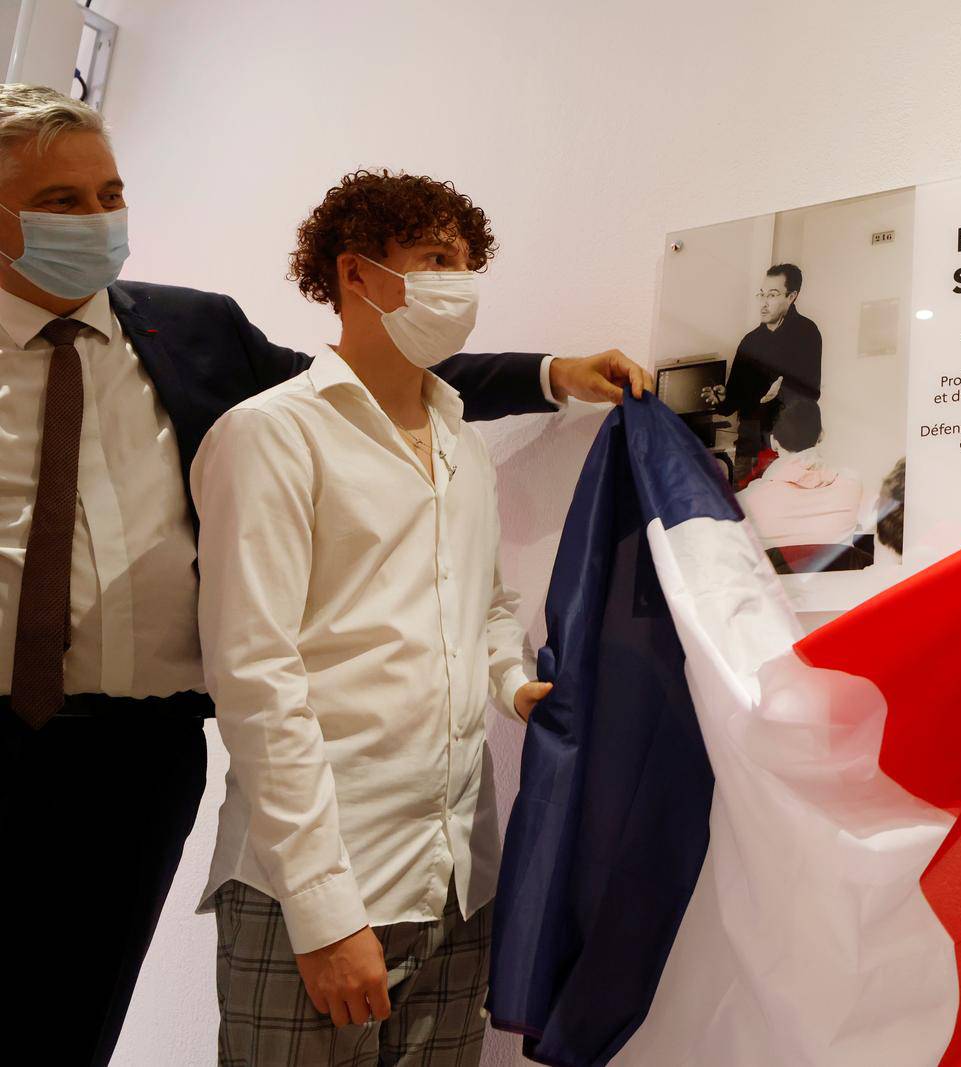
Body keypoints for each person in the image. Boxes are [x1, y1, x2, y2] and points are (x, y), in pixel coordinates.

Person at [0, 84, 645, 1067]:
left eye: (109, 193)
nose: (97, 221)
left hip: (141, 747)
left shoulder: (192, 331)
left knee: (75, 1014)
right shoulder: (267, 440)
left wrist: (551, 373)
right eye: (62, 201)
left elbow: (369, 384)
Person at [194, 169, 559, 1064]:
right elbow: (254, 675)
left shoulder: (462, 443)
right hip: (316, 886)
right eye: (436, 258)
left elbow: (483, 603)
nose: (460, 283)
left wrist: (514, 685)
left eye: (468, 262)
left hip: (455, 879)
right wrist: (322, 913)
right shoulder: (273, 434)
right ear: (357, 274)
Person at [702, 263, 823, 478]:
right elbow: (733, 401)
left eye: (773, 295)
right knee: (748, 505)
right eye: (762, 294)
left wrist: (781, 391)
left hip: (790, 443)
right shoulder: (750, 342)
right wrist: (723, 398)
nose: (764, 304)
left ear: (792, 296)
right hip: (750, 443)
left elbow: (812, 392)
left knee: (783, 504)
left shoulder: (807, 333)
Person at [736, 397, 863, 551]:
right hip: (840, 574)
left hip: (780, 575)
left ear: (773, 441)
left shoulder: (746, 501)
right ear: (821, 435)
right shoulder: (851, 485)